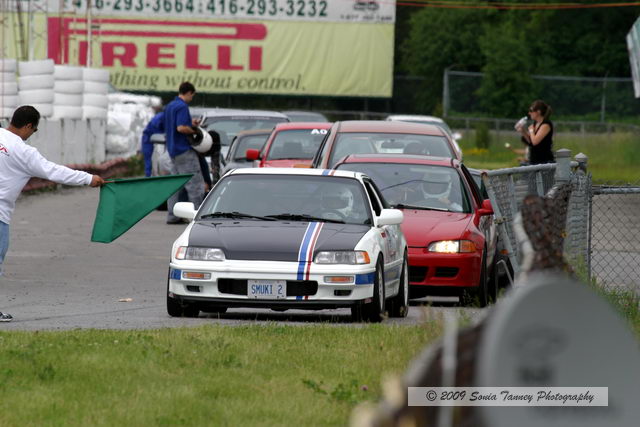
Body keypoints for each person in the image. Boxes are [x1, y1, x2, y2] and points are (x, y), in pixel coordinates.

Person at [0, 106, 104, 322]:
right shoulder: (24, 152)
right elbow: (54, 171)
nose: (32, 135)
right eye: (34, 130)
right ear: (28, 126)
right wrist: (87, 179)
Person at [164, 82, 206, 224]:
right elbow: (181, 128)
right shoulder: (182, 106)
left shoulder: (170, 106)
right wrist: (195, 130)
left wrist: (190, 122)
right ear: (189, 93)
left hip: (172, 151)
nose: (191, 99)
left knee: (174, 185)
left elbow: (175, 124)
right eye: (192, 96)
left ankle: (172, 215)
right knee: (195, 184)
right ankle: (197, 217)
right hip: (183, 150)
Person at [517, 100, 555, 165]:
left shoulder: (546, 124)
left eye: (531, 111)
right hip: (534, 160)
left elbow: (535, 142)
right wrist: (522, 131)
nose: (529, 113)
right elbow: (530, 142)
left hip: (544, 161)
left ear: (538, 112)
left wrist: (531, 130)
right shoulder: (535, 124)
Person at [141, 109, 165, 177]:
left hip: (156, 138)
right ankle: (148, 177)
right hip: (148, 138)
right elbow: (156, 130)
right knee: (148, 160)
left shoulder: (166, 116)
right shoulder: (159, 118)